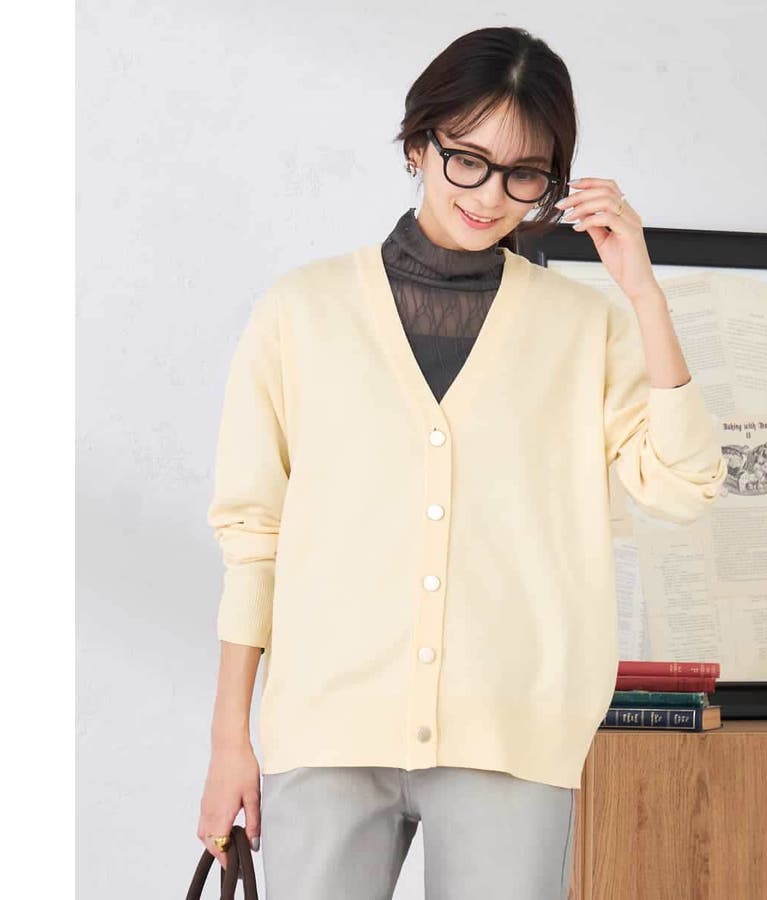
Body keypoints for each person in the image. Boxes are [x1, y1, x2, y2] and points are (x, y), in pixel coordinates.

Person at [196, 25, 726, 900]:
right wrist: (229, 742)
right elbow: (254, 535)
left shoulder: (583, 327)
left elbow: (683, 484)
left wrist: (641, 290)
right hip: (327, 730)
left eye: (525, 175)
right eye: (468, 161)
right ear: (419, 144)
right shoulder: (301, 313)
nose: (490, 196)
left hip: (512, 736)